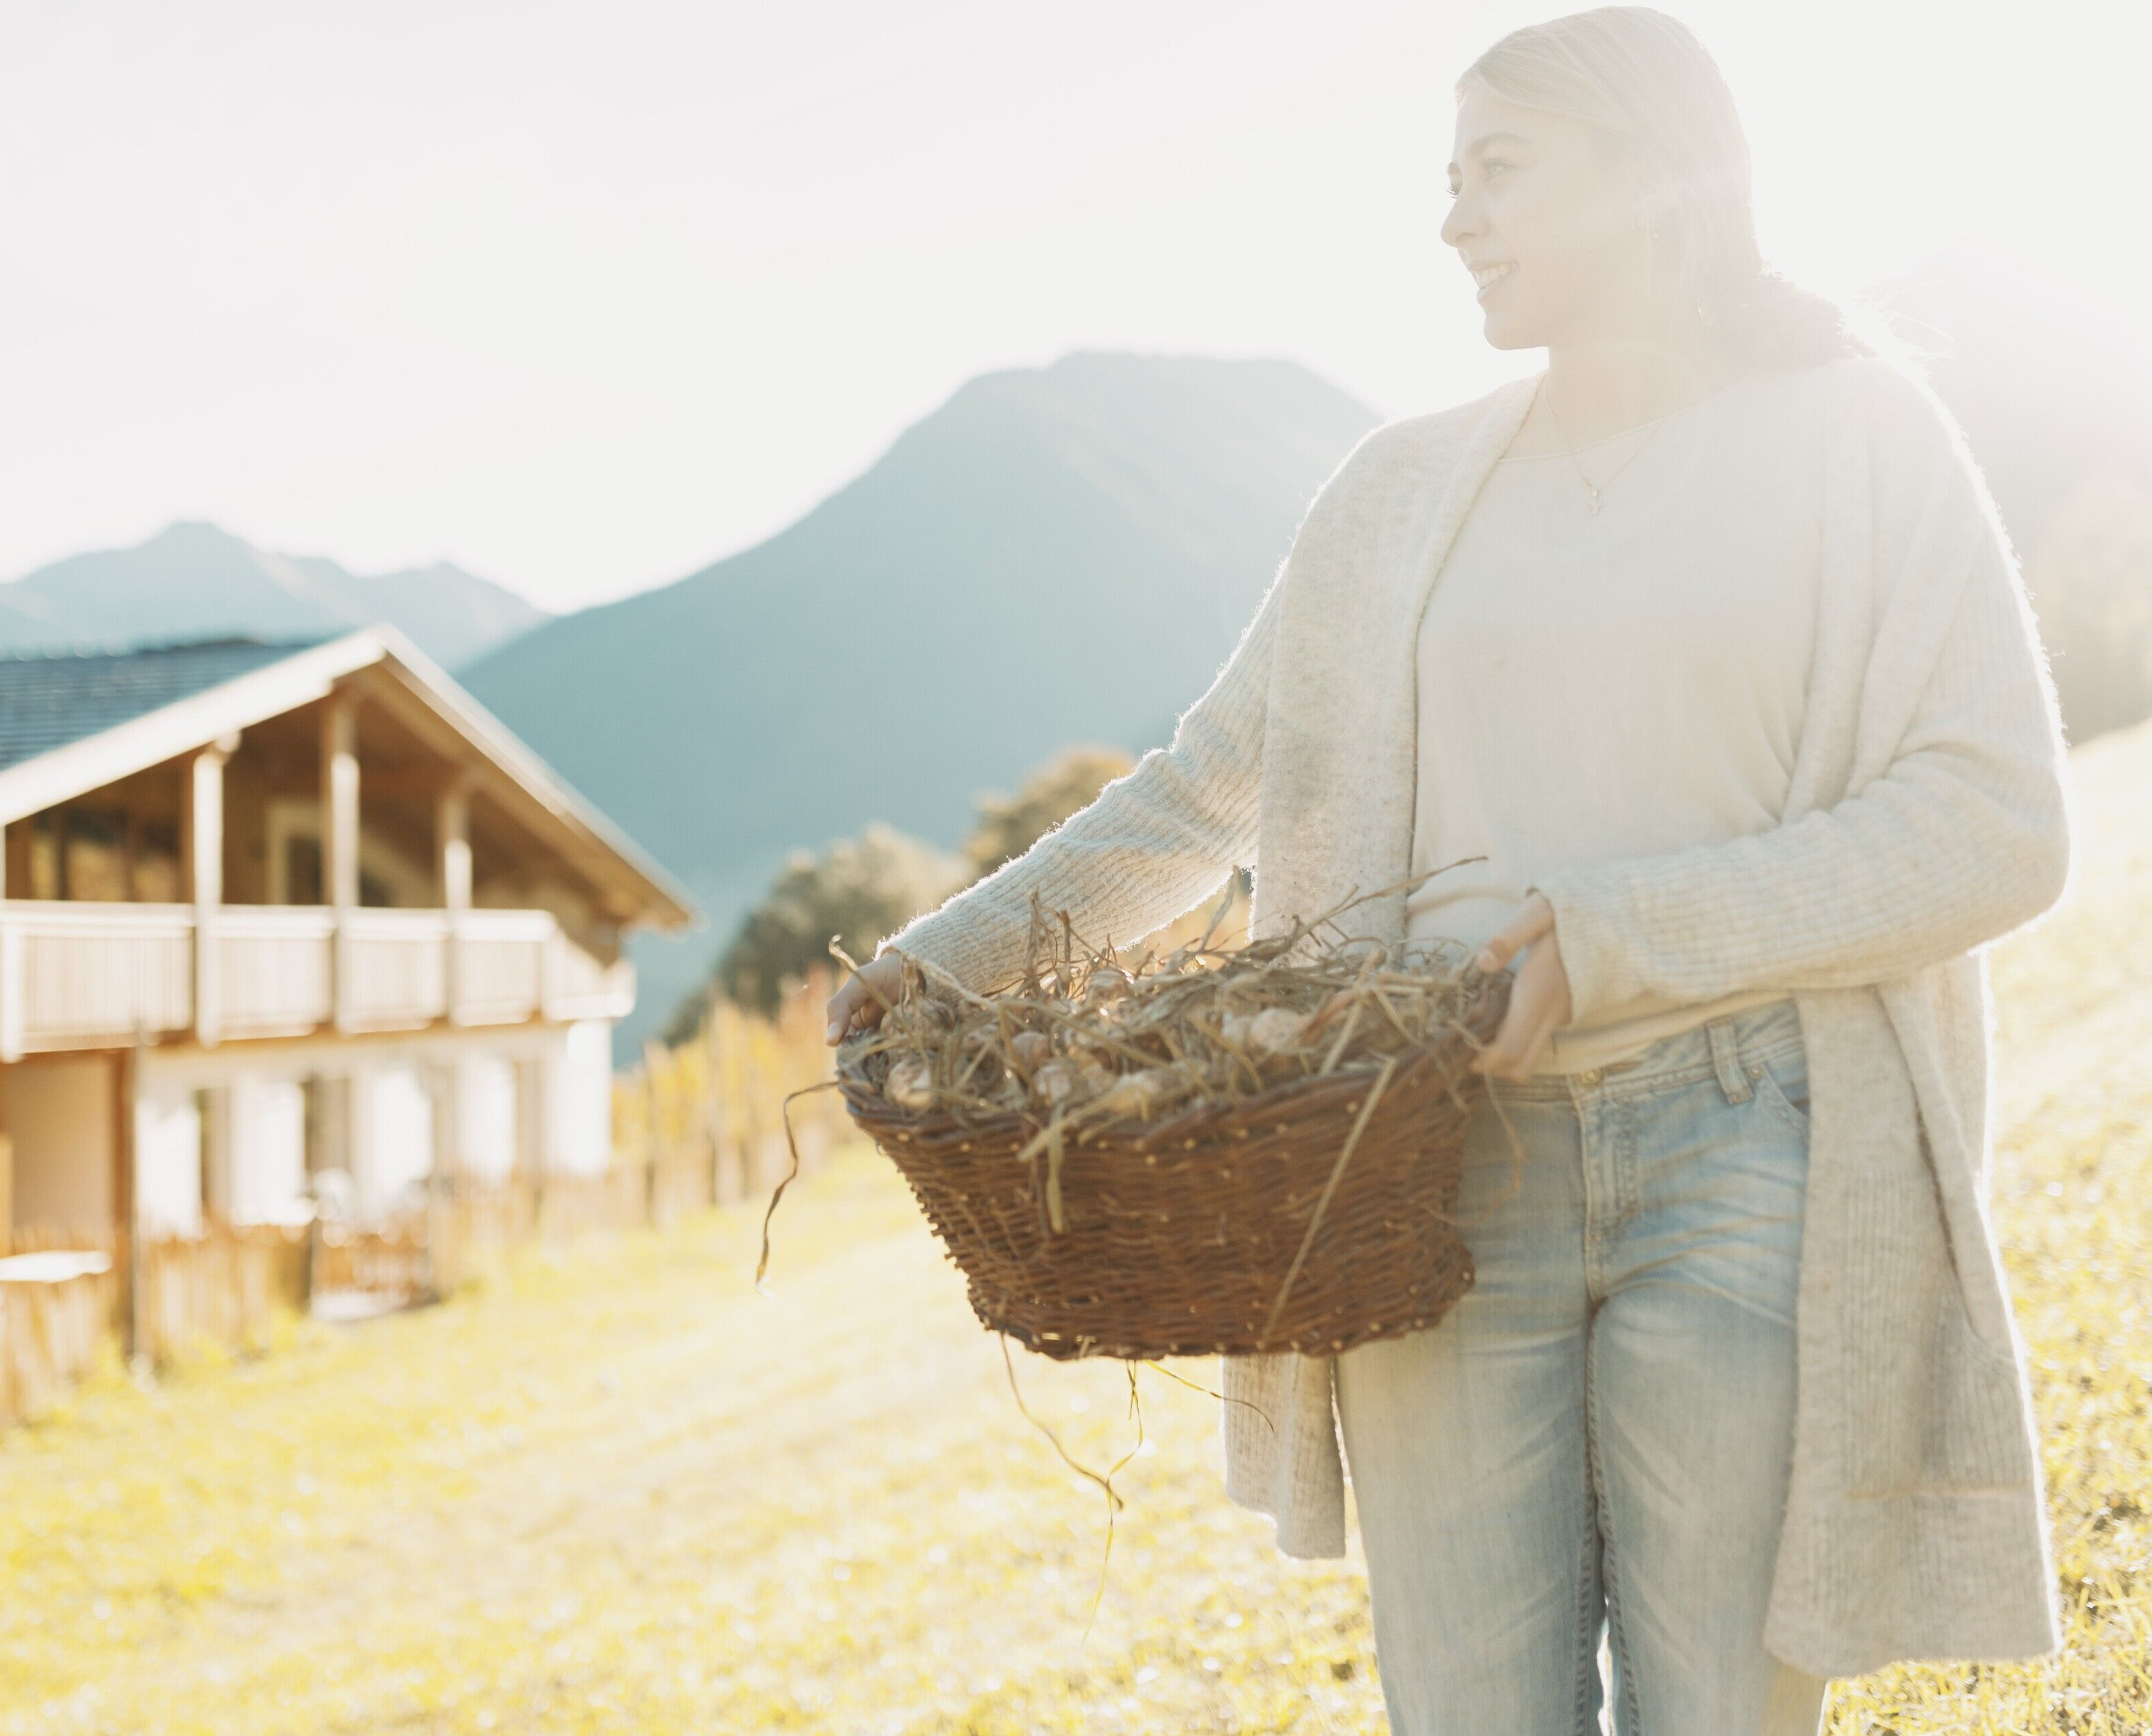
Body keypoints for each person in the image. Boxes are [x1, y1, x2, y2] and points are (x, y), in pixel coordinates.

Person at [826, 7, 2071, 1732]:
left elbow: (1996, 817)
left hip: (1751, 1145)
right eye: (1450, 175)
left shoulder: (1857, 439)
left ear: (1649, 173)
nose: (1454, 217)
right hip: (1426, 1178)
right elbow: (1207, 796)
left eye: (1501, 169)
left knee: (1724, 1710)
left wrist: (1625, 938)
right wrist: (943, 964)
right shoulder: (1398, 493)